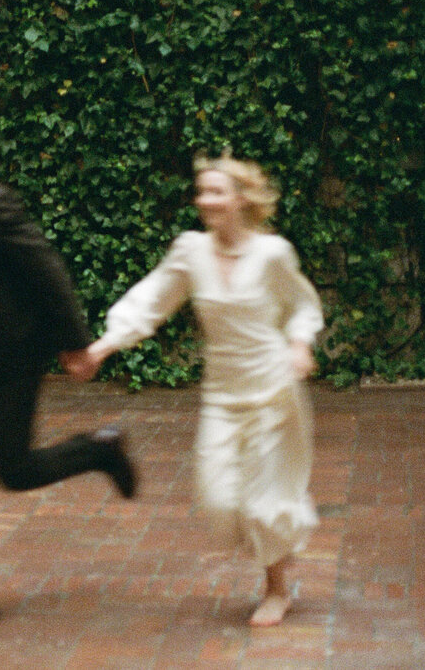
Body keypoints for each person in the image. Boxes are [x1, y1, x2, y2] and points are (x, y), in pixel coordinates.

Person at [0, 105, 137, 634]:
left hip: (10, 359)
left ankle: (98, 450)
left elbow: (44, 267)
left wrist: (74, 343)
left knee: (14, 471)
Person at [78, 150, 323, 627]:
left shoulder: (272, 254)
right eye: (202, 191)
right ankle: (281, 533)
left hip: (273, 391)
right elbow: (151, 300)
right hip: (222, 397)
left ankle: (276, 588)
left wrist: (299, 344)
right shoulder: (191, 250)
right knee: (218, 499)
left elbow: (303, 304)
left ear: (241, 199)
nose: (205, 200)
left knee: (261, 501)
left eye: (216, 191)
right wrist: (102, 348)